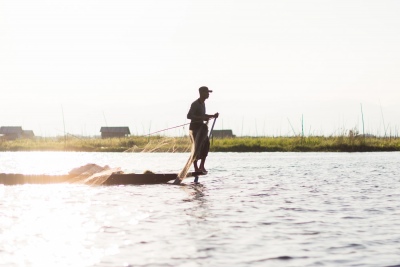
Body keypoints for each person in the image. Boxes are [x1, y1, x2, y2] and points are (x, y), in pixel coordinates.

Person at [187, 86, 219, 173]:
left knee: (206, 145)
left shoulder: (203, 103)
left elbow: (203, 115)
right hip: (194, 129)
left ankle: (202, 166)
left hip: (201, 129)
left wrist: (212, 116)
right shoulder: (195, 104)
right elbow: (189, 116)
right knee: (197, 148)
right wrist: (201, 117)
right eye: (207, 92)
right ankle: (196, 167)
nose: (208, 94)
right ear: (201, 93)